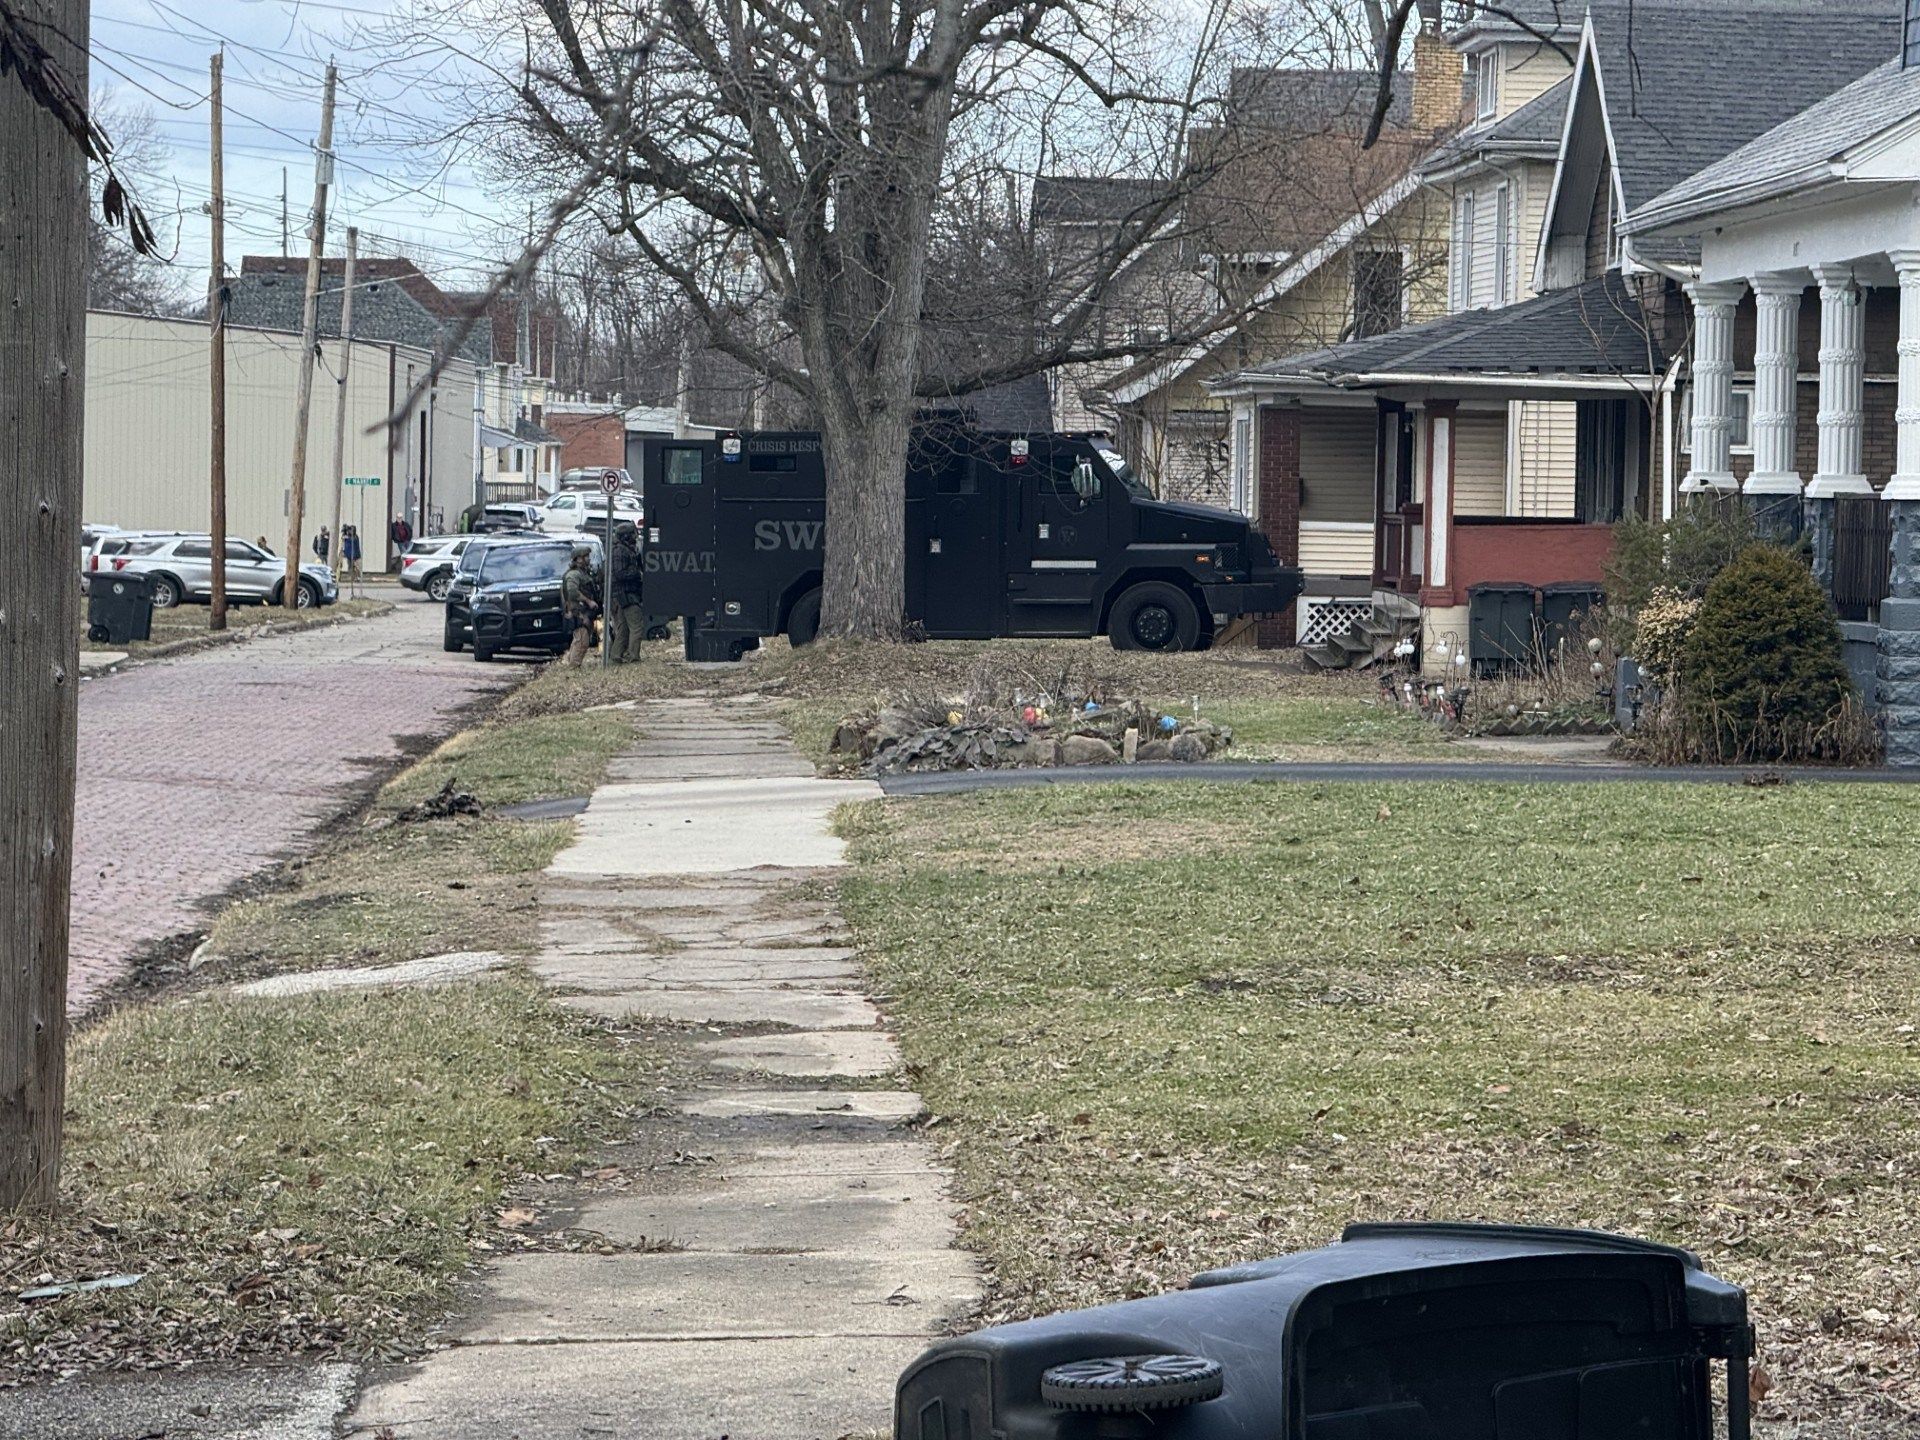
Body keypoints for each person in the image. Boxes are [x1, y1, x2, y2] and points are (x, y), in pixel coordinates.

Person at [606, 522, 647, 663]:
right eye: (632, 534)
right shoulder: (620, 551)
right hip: (626, 594)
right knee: (637, 626)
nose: (635, 537)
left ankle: (615, 655)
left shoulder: (626, 549)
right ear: (625, 536)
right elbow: (620, 574)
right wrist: (637, 573)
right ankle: (633, 656)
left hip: (627, 593)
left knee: (624, 628)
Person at [561, 545, 599, 668]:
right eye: (586, 556)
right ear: (578, 559)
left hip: (584, 611)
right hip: (579, 611)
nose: (588, 558)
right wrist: (588, 601)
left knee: (580, 638)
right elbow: (572, 591)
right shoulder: (573, 574)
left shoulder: (584, 573)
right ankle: (574, 666)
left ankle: (570, 662)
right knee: (582, 639)